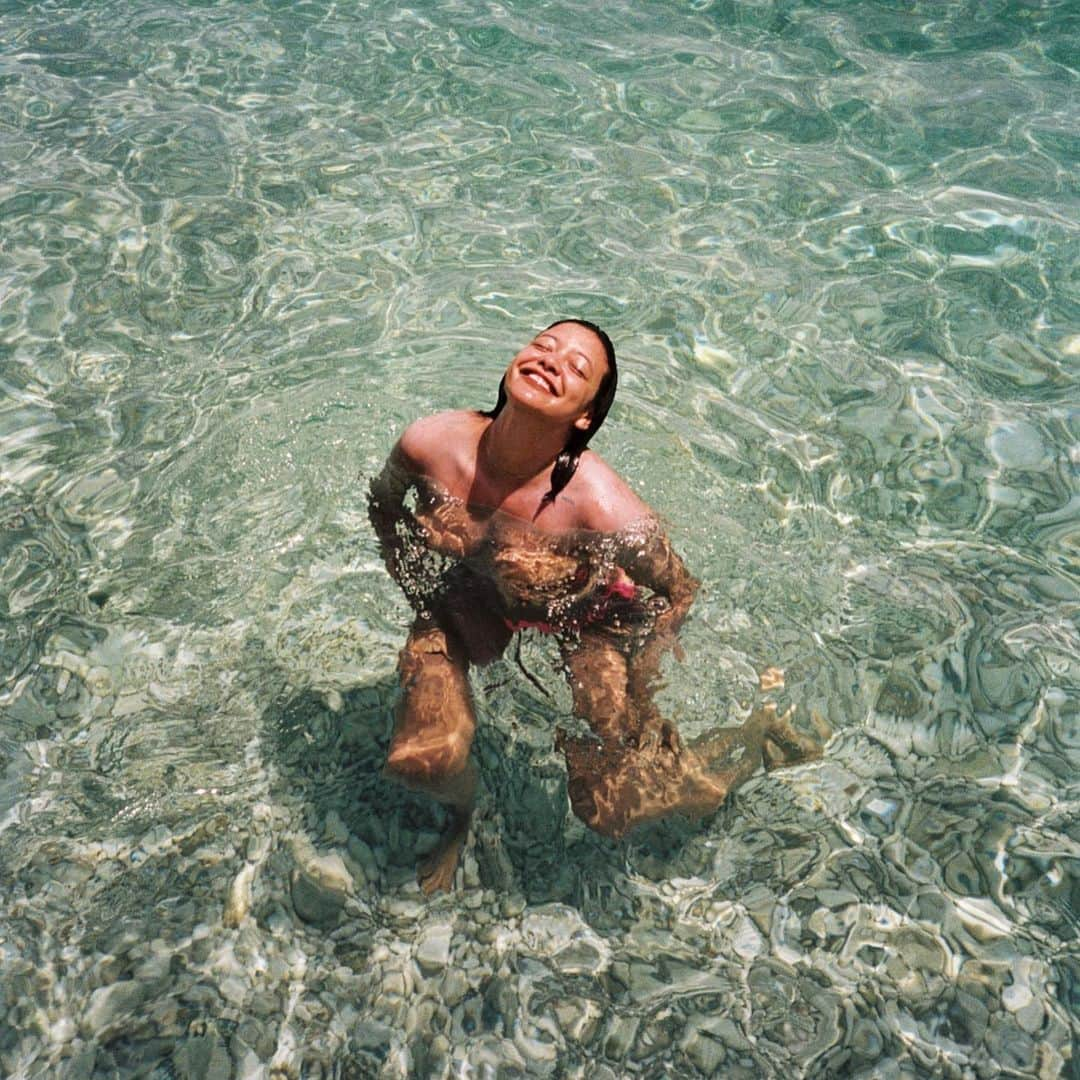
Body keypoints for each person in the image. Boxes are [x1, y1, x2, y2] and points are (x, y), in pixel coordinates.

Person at [368, 320, 825, 893]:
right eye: (542, 345)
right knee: (423, 756)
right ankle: (464, 814)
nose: (552, 360)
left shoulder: (603, 507)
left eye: (577, 368)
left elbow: (679, 589)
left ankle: (754, 741)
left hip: (589, 619)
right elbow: (384, 505)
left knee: (612, 806)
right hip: (474, 595)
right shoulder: (429, 444)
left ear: (584, 415)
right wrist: (417, 587)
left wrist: (644, 671)